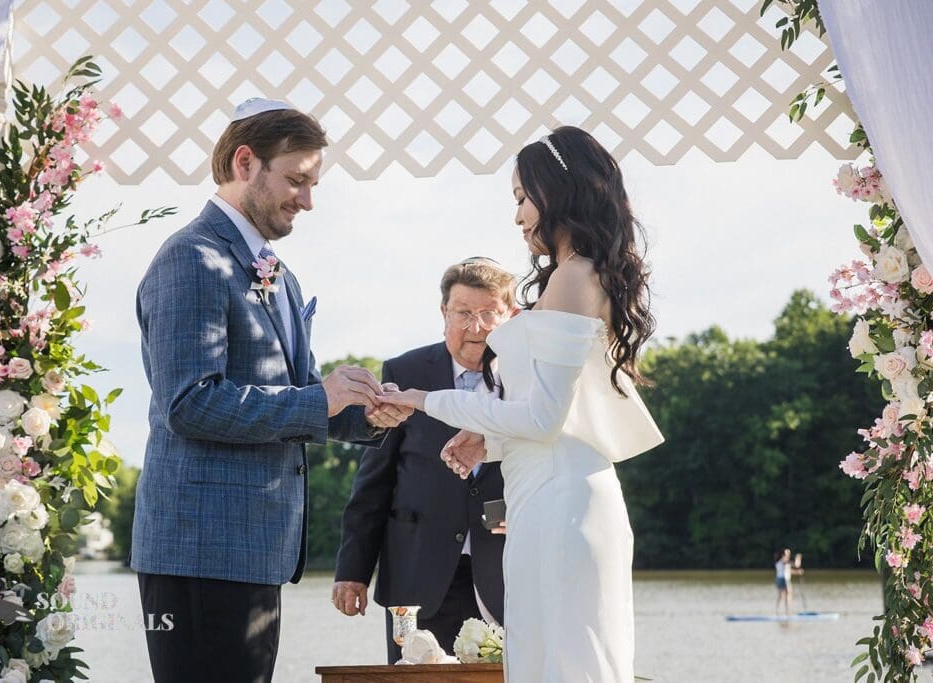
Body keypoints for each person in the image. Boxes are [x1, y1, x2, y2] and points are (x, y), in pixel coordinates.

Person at [129, 98, 412, 683]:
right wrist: (319, 399)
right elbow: (189, 403)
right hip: (201, 550)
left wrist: (368, 416)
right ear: (244, 163)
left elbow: (303, 396)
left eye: (313, 184)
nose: (308, 200)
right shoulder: (192, 259)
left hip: (253, 549)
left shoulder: (277, 272)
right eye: (297, 180)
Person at [379, 126, 665, 682]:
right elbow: (554, 413)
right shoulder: (580, 275)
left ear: (554, 190)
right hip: (545, 496)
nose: (517, 217)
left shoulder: (575, 277)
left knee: (565, 667)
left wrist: (423, 400)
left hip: (563, 507)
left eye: (520, 197)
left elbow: (542, 417)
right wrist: (492, 439)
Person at [332, 257, 516, 662]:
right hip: (416, 579)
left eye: (489, 314)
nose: (476, 327)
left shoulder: (530, 379)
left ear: (511, 315)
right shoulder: (405, 370)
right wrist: (352, 572)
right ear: (443, 313)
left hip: (508, 578)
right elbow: (373, 484)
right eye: (464, 313)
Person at [774, 548, 803, 616]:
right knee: (787, 594)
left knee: (781, 595)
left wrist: (797, 571)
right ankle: (787, 612)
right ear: (783, 555)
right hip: (782, 579)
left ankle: (777, 610)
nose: (788, 555)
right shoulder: (783, 561)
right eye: (787, 554)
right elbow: (796, 565)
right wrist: (798, 559)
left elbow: (791, 568)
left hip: (778, 579)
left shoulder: (778, 561)